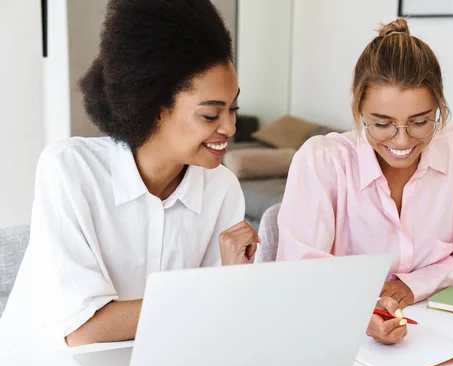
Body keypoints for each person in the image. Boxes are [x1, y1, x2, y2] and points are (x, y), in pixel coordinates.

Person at [1, 0, 259, 347]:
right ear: (154, 108)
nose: (229, 127)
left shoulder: (222, 189)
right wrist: (215, 293)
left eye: (233, 109)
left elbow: (218, 322)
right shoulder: (69, 170)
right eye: (211, 115)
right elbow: (84, 330)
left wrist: (232, 288)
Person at [276, 18, 453, 345]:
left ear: (439, 106)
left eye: (421, 122)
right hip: (338, 337)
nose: (401, 141)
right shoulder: (322, 161)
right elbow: (300, 278)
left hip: (440, 335)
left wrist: (413, 285)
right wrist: (361, 314)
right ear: (358, 109)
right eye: (382, 124)